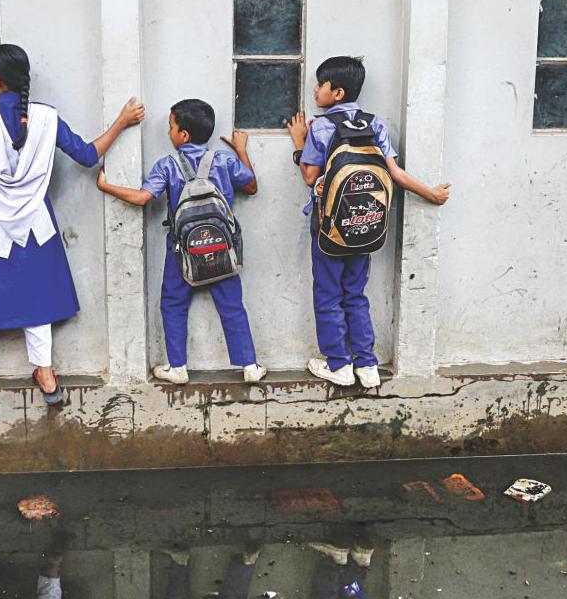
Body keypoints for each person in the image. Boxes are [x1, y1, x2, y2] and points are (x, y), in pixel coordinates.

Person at [0, 44, 144, 404]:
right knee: (37, 294)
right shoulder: (46, 118)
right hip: (36, 221)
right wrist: (121, 121)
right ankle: (45, 372)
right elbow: (87, 155)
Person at [286, 56, 450, 388]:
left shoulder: (322, 127)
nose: (315, 90)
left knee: (328, 294)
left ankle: (338, 365)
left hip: (329, 227)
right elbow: (395, 174)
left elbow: (310, 177)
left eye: (320, 85)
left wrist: (300, 143)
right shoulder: (374, 124)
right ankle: (367, 364)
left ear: (337, 92)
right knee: (355, 293)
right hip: (365, 225)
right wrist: (431, 194)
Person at [96, 98, 267, 385]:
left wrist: (106, 186)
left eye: (171, 127)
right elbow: (251, 185)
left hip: (182, 250)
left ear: (183, 135)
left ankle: (178, 367)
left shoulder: (168, 165)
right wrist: (240, 150)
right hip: (221, 247)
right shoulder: (223, 160)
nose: (168, 132)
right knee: (232, 305)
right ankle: (249, 366)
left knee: (173, 303)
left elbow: (142, 198)